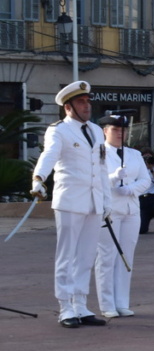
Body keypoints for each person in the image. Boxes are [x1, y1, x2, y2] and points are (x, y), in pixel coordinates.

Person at [30, 81, 112, 329]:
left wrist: (106, 200)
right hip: (70, 201)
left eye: (88, 101)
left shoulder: (97, 131)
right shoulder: (59, 131)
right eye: (80, 102)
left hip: (93, 201)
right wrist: (38, 178)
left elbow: (101, 167)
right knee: (66, 255)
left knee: (86, 255)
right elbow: (49, 155)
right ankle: (65, 307)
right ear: (68, 107)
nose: (87, 106)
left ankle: (81, 305)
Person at [94, 115, 150, 318]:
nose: (120, 133)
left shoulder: (134, 154)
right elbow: (95, 182)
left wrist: (131, 189)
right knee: (107, 256)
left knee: (126, 256)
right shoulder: (99, 153)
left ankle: (122, 302)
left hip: (131, 209)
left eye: (123, 130)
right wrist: (113, 178)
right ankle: (107, 304)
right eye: (115, 129)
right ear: (104, 131)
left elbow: (146, 180)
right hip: (110, 211)